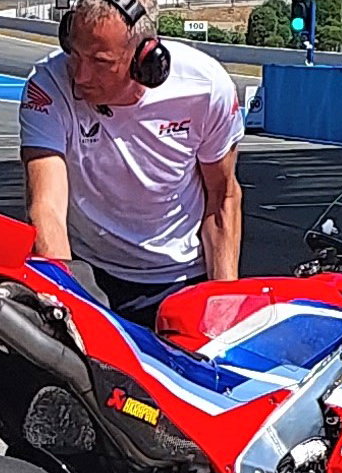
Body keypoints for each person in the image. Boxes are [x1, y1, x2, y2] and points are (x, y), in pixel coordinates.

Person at [18, 0, 244, 328]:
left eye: (100, 62)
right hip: (90, 272)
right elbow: (45, 207)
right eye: (75, 54)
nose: (80, 76)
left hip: (181, 279)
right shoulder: (49, 84)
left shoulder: (206, 88)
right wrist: (66, 303)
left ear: (144, 59)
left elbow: (222, 199)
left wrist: (224, 307)